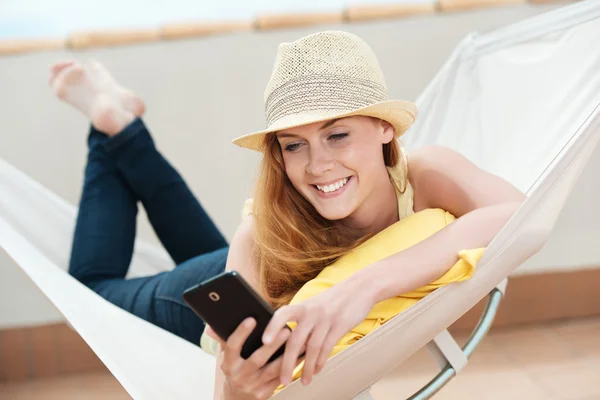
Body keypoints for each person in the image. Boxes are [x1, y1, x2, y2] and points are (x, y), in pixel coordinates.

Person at [52, 31, 526, 400]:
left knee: (216, 254)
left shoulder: (426, 172)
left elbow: (519, 215)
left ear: (384, 127)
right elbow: (228, 394)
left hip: (251, 273)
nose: (317, 166)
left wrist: (363, 287)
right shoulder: (260, 235)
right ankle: (109, 126)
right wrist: (239, 388)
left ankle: (122, 125)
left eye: (336, 135)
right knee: (90, 289)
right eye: (294, 145)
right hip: (209, 290)